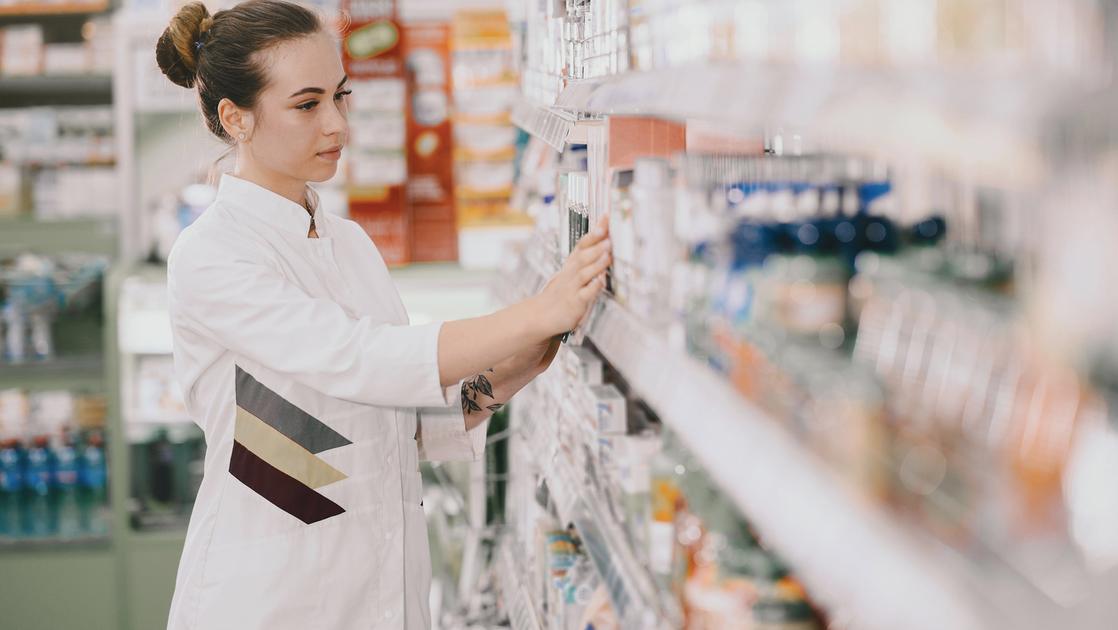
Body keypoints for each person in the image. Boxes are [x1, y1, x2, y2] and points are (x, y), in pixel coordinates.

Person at [155, 2, 611, 628]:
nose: (337, 124)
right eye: (307, 104)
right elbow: (357, 358)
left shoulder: (349, 244)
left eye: (340, 96)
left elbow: (383, 425)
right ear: (236, 118)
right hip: (269, 603)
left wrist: (506, 374)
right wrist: (535, 312)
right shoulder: (211, 256)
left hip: (381, 594)